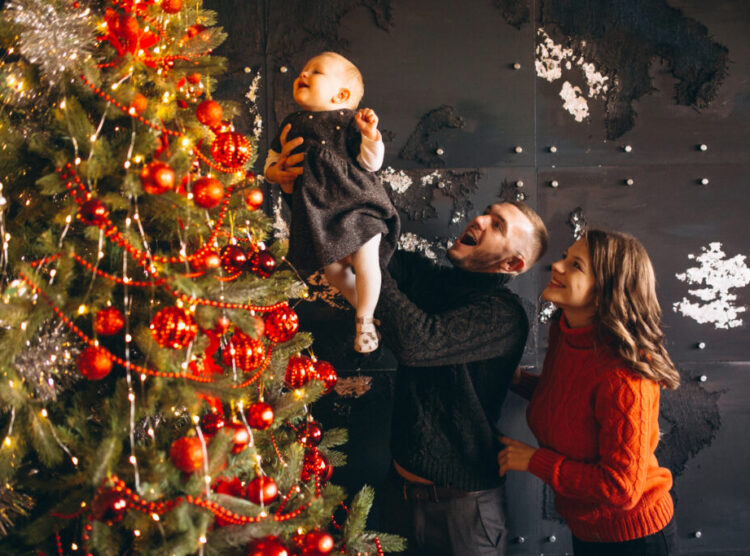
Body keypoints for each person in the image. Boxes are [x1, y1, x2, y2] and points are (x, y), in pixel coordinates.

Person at [373, 201, 549, 556]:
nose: (480, 219)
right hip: (397, 496)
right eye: (487, 211)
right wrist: (298, 186)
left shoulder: (503, 314)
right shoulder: (432, 280)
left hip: (464, 514)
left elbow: (417, 343)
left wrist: (376, 278)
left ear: (513, 264)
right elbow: (361, 246)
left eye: (497, 225)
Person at [498, 229, 680, 556]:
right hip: (588, 529)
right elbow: (573, 403)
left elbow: (621, 488)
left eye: (576, 265)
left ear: (606, 290)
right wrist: (517, 380)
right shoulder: (567, 333)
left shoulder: (625, 376)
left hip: (635, 538)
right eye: (565, 256)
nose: (557, 266)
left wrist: (535, 461)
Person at [264, 51, 399, 353]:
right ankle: (368, 311)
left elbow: (371, 164)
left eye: (316, 72)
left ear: (341, 94)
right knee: (333, 272)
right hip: (321, 215)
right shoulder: (291, 124)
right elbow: (271, 163)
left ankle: (364, 320)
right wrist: (276, 171)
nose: (304, 74)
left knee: (366, 260)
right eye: (304, 69)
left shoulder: (351, 122)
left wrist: (370, 135)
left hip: (359, 205)